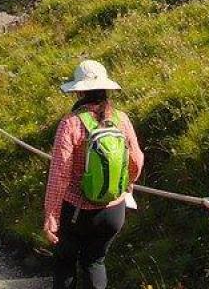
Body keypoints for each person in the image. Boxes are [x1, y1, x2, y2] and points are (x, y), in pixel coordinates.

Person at [43, 60, 145, 289]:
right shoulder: (122, 119)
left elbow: (60, 174)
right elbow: (137, 160)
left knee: (65, 262)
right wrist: (127, 184)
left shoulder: (70, 124)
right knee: (95, 261)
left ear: (78, 91)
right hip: (113, 211)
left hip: (77, 210)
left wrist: (51, 214)